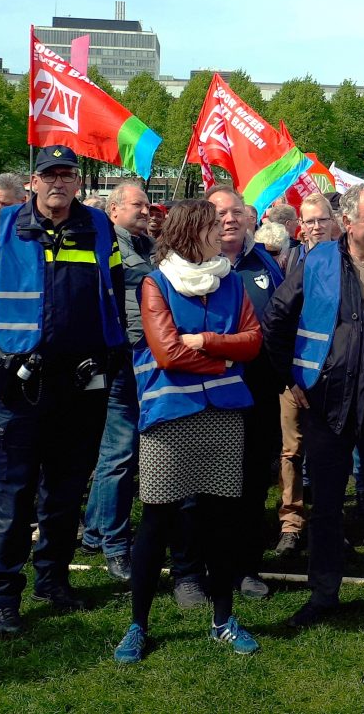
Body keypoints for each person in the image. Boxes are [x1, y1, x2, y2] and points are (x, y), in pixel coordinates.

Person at [0, 145, 127, 635]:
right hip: (18, 382)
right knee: (12, 498)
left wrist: (109, 361)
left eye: (67, 174)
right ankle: (3, 594)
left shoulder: (99, 227)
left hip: (79, 383)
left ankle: (53, 580)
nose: (58, 182)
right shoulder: (5, 226)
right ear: (33, 182)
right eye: (49, 174)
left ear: (78, 182)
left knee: (63, 494)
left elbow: (115, 295)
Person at [263, 183, 364, 636]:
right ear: (348, 222)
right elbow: (277, 319)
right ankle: (323, 594)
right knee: (328, 506)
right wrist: (290, 380)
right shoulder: (315, 261)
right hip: (326, 402)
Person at [113, 199, 263, 664]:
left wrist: (206, 342)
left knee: (221, 522)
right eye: (213, 226)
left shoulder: (231, 283)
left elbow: (254, 341)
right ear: (190, 232)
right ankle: (138, 625)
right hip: (170, 416)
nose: (222, 232)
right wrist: (223, 355)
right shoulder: (156, 284)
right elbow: (166, 354)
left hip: (222, 417)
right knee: (157, 522)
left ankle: (223, 619)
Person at [207, 185, 285, 600]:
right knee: (208, 485)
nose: (230, 219)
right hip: (208, 394)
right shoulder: (192, 264)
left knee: (253, 483)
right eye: (220, 213)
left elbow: (282, 320)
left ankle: (247, 566)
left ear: (250, 217)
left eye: (236, 212)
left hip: (258, 393)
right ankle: (200, 567)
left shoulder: (267, 265)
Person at [79, 182, 153, 583]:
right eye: (138, 205)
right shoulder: (109, 248)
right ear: (114, 211)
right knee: (119, 453)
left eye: (146, 203)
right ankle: (114, 542)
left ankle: (93, 530)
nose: (146, 210)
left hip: (143, 358)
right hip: (123, 359)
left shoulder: (147, 245)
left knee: (117, 449)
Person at [274, 193, 337, 557]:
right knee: (291, 451)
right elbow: (279, 322)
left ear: (336, 221)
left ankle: (329, 523)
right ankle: (291, 524)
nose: (314, 227)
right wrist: (288, 378)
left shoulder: (348, 261)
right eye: (309, 221)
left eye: (321, 220)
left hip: (333, 376)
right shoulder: (291, 260)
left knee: (330, 452)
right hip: (295, 376)